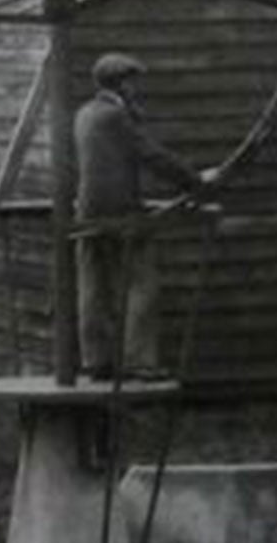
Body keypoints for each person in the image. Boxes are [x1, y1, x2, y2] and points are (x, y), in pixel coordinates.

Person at [74, 52, 211, 381]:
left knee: (94, 286)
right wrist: (195, 180)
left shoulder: (85, 113)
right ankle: (139, 362)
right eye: (132, 82)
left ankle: (96, 360)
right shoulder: (115, 117)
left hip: (87, 211)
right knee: (142, 286)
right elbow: (151, 155)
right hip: (120, 214)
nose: (137, 88)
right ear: (121, 83)